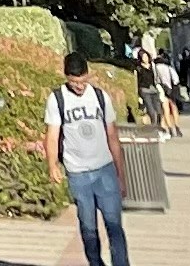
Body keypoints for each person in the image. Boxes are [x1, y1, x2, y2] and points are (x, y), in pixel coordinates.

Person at [45, 54, 130, 266]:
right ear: (66, 77)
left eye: (83, 81)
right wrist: (52, 165)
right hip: (78, 174)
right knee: (88, 228)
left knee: (114, 225)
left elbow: (113, 137)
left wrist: (121, 176)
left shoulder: (100, 97)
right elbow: (52, 136)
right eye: (74, 82)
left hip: (104, 170)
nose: (80, 86)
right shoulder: (57, 99)